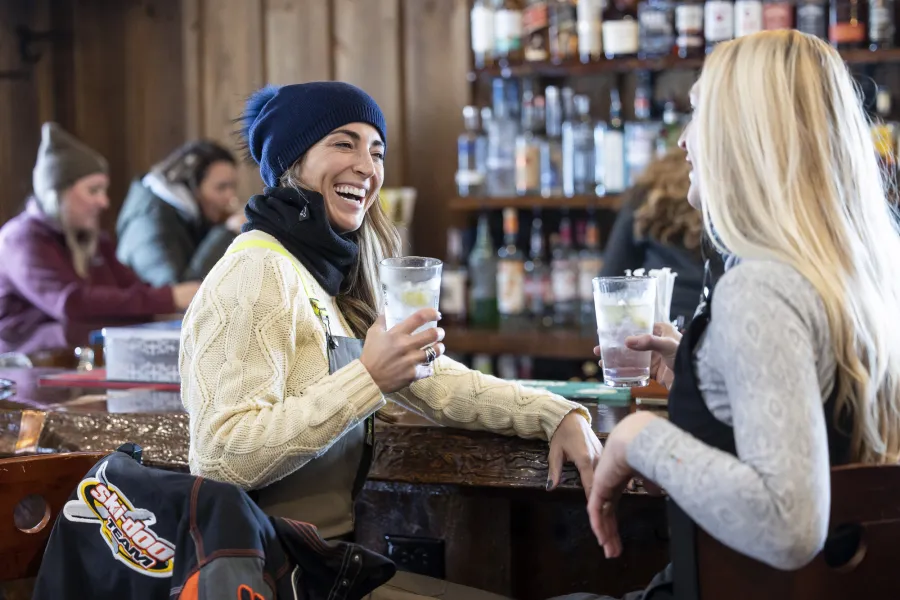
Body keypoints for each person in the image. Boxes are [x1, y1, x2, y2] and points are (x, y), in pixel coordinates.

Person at [180, 82, 601, 599]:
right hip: (271, 577)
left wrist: (554, 414)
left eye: (376, 151)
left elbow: (435, 382)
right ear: (292, 159)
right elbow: (222, 457)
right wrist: (369, 379)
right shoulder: (256, 269)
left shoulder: (322, 275)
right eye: (343, 143)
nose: (367, 166)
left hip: (324, 567)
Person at [585, 30, 900, 598]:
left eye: (699, 113)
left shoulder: (760, 287)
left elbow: (789, 524)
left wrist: (636, 438)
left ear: (748, 134)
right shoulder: (863, 271)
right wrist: (705, 372)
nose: (683, 141)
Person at [0, 123, 200, 352]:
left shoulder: (95, 239)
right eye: (93, 190)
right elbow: (71, 303)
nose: (104, 202)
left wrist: (164, 307)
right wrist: (169, 299)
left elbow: (132, 288)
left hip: (82, 363)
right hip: (26, 369)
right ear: (57, 193)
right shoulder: (20, 240)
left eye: (104, 191)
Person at [116, 140, 244, 286]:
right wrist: (226, 232)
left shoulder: (188, 215)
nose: (231, 198)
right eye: (221, 188)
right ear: (191, 186)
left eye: (233, 187)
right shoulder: (150, 222)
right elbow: (178, 292)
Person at [600, 148, 704, 325]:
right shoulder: (739, 194)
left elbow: (610, 283)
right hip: (712, 332)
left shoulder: (650, 189)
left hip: (652, 329)